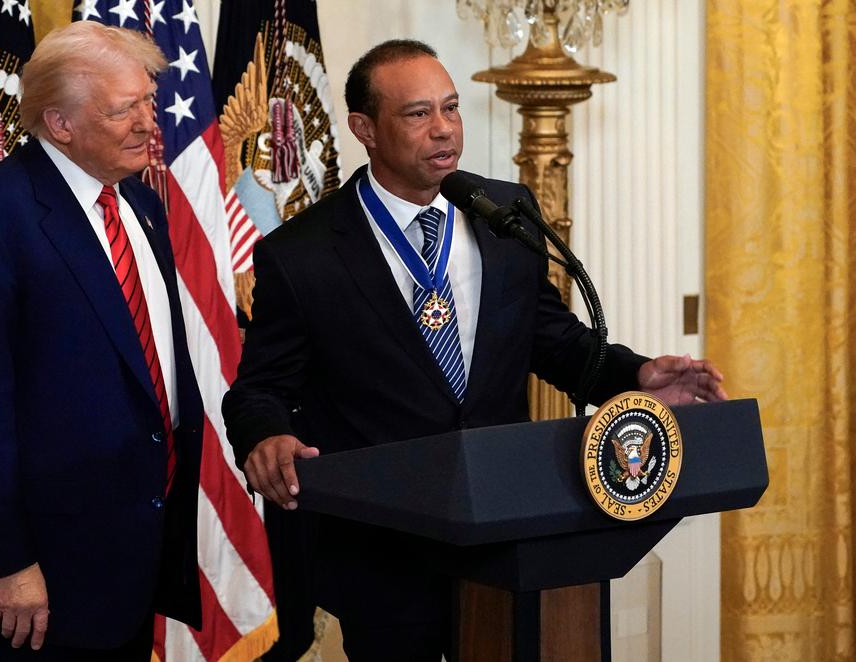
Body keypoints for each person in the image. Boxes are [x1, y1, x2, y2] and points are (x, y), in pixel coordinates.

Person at [222, 39, 726, 661]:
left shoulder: (502, 211)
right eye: (417, 114)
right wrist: (265, 436)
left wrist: (637, 375)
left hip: (507, 528)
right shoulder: (302, 253)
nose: (444, 130)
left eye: (452, 109)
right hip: (385, 548)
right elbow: (259, 388)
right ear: (364, 129)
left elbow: (553, 338)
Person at [0, 21, 203, 659]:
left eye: (148, 102)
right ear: (60, 123)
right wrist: (6, 559)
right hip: (34, 582)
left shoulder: (139, 203)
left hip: (130, 557)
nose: (147, 123)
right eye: (122, 110)